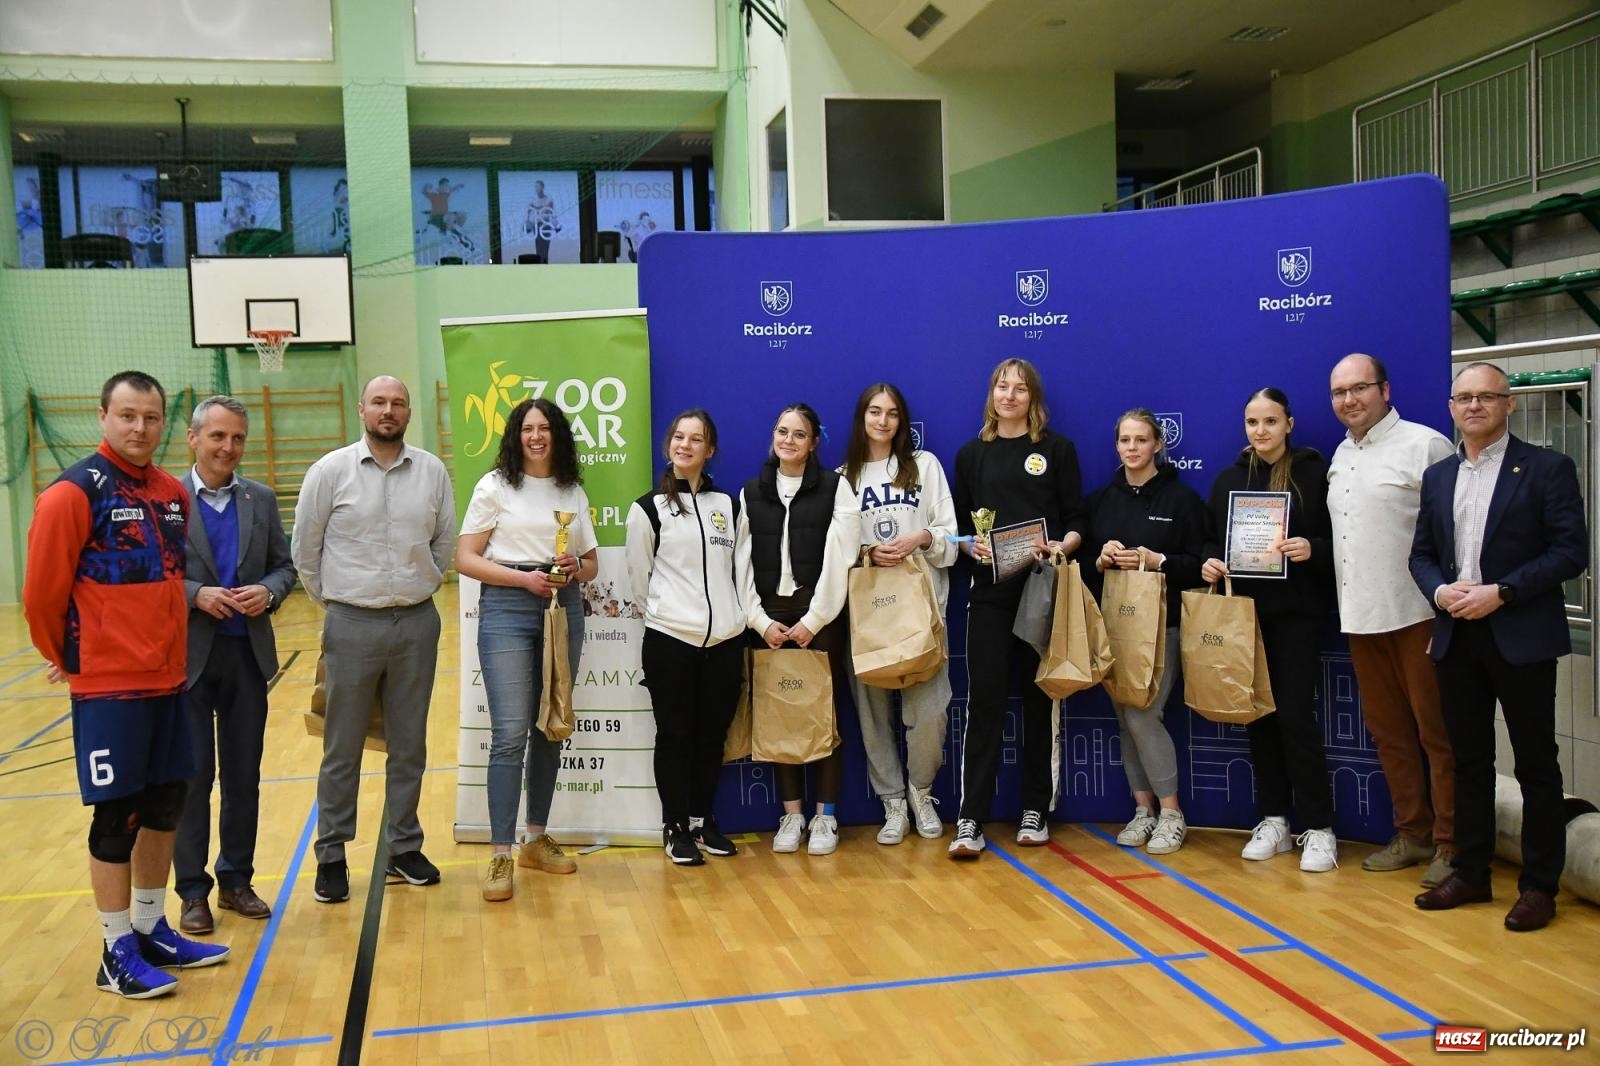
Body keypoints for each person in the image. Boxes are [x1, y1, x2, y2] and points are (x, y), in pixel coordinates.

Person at [23, 371, 229, 999]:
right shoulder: (69, 495)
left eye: (151, 417)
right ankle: (115, 952)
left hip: (169, 679)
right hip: (109, 688)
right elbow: (40, 597)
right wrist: (70, 655)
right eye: (128, 416)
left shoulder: (172, 493)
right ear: (103, 416)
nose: (140, 428)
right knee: (119, 817)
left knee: (167, 805)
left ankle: (148, 929)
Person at [1411, 362, 1587, 932]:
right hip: (1456, 632)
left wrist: (1502, 593)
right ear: (1451, 407)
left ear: (1508, 404)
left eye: (1487, 397)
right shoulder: (1438, 476)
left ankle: (1539, 887)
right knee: (1468, 761)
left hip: (1520, 633)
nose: (1474, 406)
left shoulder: (1547, 468)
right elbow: (1420, 554)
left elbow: (1569, 552)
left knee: (1537, 765)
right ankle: (1471, 873)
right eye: (1463, 397)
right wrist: (1439, 589)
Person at [293, 376, 456, 904]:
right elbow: (305, 551)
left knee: (409, 746)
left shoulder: (431, 471)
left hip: (416, 623)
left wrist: (413, 587)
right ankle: (332, 854)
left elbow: (445, 542)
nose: (389, 410)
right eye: (379, 402)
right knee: (342, 748)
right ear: (362, 409)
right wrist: (342, 603)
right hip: (351, 623)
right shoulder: (330, 471)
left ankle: (403, 846)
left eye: (398, 403)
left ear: (409, 413)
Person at [455, 397, 598, 901]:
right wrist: (523, 580)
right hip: (508, 612)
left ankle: (535, 840)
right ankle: (499, 854)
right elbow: (465, 558)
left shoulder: (572, 490)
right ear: (516, 436)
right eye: (527, 429)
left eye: (545, 428)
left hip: (565, 609)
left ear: (556, 435)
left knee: (551, 725)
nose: (536, 437)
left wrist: (573, 569)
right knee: (511, 733)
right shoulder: (495, 486)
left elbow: (592, 563)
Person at [1326, 354, 1457, 888]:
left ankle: (1452, 844)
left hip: (1420, 615)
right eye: (1339, 392)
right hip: (1361, 617)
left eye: (1359, 388)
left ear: (1385, 388)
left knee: (1439, 736)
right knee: (1390, 736)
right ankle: (1414, 833)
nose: (1349, 400)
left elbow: (1458, 531)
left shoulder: (1426, 445)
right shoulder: (1339, 454)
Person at [949, 358, 1086, 859]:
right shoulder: (970, 455)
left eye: (1020, 388)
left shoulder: (1057, 450)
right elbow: (960, 529)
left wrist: (1060, 549)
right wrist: (970, 547)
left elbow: (1076, 522)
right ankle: (970, 819)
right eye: (1002, 387)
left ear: (1034, 398)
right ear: (991, 395)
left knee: (1038, 700)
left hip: (1042, 592)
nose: (1010, 395)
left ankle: (1035, 808)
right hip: (987, 594)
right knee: (984, 703)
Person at [1201, 387, 1339, 872]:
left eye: (1270, 422)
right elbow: (1207, 540)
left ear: (1289, 424)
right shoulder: (1227, 481)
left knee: (1295, 716)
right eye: (1252, 423)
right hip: (1245, 617)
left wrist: (1312, 548)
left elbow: (1339, 542)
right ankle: (1275, 819)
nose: (1261, 431)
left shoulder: (1314, 475)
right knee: (1257, 713)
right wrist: (1210, 562)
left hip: (1299, 613)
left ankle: (1319, 828)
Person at [173, 396, 297, 935]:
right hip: (188, 661)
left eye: (238, 438)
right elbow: (149, 575)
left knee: (244, 778)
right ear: (193, 439)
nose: (229, 447)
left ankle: (236, 881)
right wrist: (195, 594)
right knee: (193, 780)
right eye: (218, 436)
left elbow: (284, 567)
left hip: (247, 656)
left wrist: (267, 594)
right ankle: (192, 892)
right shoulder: (166, 500)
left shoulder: (261, 499)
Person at [735, 402, 860, 855]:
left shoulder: (835, 488)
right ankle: (792, 816)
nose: (789, 440)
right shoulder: (752, 492)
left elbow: (842, 557)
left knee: (822, 715)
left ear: (813, 443)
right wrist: (760, 620)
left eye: (799, 434)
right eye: (782, 431)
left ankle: (825, 818)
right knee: (779, 716)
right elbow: (740, 565)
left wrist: (814, 619)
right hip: (768, 622)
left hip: (818, 620)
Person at [1087, 408, 1208, 856]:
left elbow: (1202, 566)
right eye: (1125, 440)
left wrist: (1158, 560)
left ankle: (1172, 813)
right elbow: (1082, 570)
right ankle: (1143, 811)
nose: (1132, 448)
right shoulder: (1101, 500)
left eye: (1141, 440)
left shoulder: (1182, 500)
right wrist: (1100, 560)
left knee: (1143, 714)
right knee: (1124, 719)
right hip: (1113, 627)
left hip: (1166, 626)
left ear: (1158, 444)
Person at [839, 383, 957, 844]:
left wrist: (921, 538)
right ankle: (892, 803)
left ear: (901, 422)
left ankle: (920, 792)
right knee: (873, 716)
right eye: (874, 411)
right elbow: (834, 551)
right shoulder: (841, 478)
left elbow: (949, 534)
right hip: (867, 617)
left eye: (891, 413)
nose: (882, 421)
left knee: (930, 714)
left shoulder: (924, 467)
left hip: (923, 613)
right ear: (861, 418)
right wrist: (867, 550)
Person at [626, 409, 744, 866]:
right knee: (674, 734)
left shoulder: (728, 506)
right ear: (669, 446)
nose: (686, 445)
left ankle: (702, 819)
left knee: (711, 736)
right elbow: (640, 580)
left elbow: (738, 572)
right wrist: (668, 615)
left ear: (709, 450)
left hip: (724, 641)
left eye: (696, 439)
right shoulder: (647, 509)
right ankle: (674, 825)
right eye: (679, 437)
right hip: (670, 638)